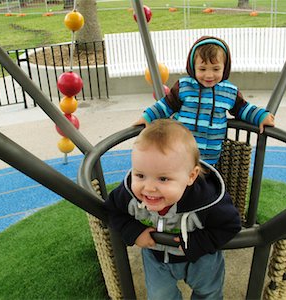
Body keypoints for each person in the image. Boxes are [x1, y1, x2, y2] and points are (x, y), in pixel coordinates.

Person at [105, 119, 241, 299]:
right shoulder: (128, 195)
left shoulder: (208, 201)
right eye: (140, 175)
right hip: (156, 256)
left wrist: (198, 243)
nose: (149, 188)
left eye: (163, 179)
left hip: (201, 258)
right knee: (160, 296)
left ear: (190, 176)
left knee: (209, 293)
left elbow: (230, 225)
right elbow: (111, 210)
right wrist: (134, 231)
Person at [136, 36, 275, 165]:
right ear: (193, 67)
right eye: (202, 69)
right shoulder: (184, 87)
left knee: (205, 186)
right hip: (181, 153)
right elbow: (166, 104)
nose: (209, 75)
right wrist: (148, 116)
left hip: (211, 158)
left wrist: (260, 116)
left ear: (224, 68)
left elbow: (243, 108)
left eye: (216, 69)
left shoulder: (229, 91)